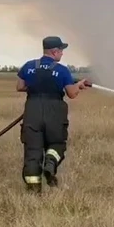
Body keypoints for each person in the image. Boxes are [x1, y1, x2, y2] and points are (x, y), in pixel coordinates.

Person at [16, 36, 90, 192]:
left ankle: (34, 190)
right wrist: (79, 85)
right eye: (61, 51)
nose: (62, 54)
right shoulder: (62, 70)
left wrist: (37, 89)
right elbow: (71, 93)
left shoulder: (28, 66)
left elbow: (20, 86)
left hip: (32, 110)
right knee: (57, 143)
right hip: (54, 111)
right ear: (54, 51)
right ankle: (50, 163)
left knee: (33, 151)